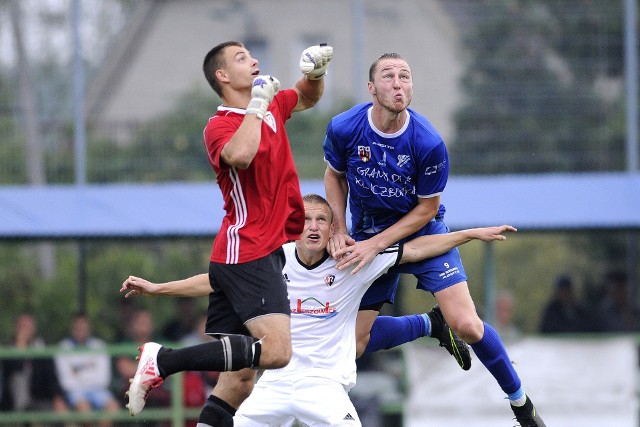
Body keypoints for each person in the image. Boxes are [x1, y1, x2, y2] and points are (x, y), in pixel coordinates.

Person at [120, 194, 516, 426]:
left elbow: (415, 249)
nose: (312, 226)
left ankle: (430, 325)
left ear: (332, 229)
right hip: (272, 384)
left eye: (321, 219)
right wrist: (159, 289)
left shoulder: (353, 260)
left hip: (324, 388)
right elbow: (216, 280)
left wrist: (470, 234)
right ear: (296, 225)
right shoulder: (275, 258)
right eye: (306, 219)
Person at [322, 52, 545, 426]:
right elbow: (333, 175)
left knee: (469, 325)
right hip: (366, 234)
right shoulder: (345, 127)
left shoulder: (427, 142)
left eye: (405, 76)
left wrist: (379, 245)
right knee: (354, 344)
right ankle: (430, 325)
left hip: (421, 232)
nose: (398, 83)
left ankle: (521, 404)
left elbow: (426, 210)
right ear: (371, 88)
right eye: (389, 76)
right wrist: (339, 229)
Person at [124, 41, 334, 426]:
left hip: (255, 252)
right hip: (247, 248)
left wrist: (316, 73)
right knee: (277, 351)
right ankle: (164, 360)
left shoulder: (269, 103)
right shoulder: (219, 125)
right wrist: (257, 104)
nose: (254, 61)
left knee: (238, 382)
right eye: (242, 58)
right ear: (222, 76)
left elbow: (306, 96)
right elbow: (241, 155)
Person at [54, 312, 120, 427]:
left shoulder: (100, 346)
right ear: (72, 329)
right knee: (85, 410)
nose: (80, 330)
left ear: (89, 329)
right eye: (77, 327)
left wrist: (78, 375)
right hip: (75, 392)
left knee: (113, 408)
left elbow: (104, 380)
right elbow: (66, 382)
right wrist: (89, 375)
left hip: (98, 390)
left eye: (83, 327)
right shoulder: (62, 348)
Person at [0, 313, 69, 416]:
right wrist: (20, 346)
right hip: (14, 401)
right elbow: (13, 369)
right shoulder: (8, 349)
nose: (25, 330)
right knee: (19, 378)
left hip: (40, 398)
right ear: (16, 329)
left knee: (57, 413)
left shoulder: (42, 348)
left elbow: (51, 375)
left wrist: (57, 397)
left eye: (28, 327)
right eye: (22, 327)